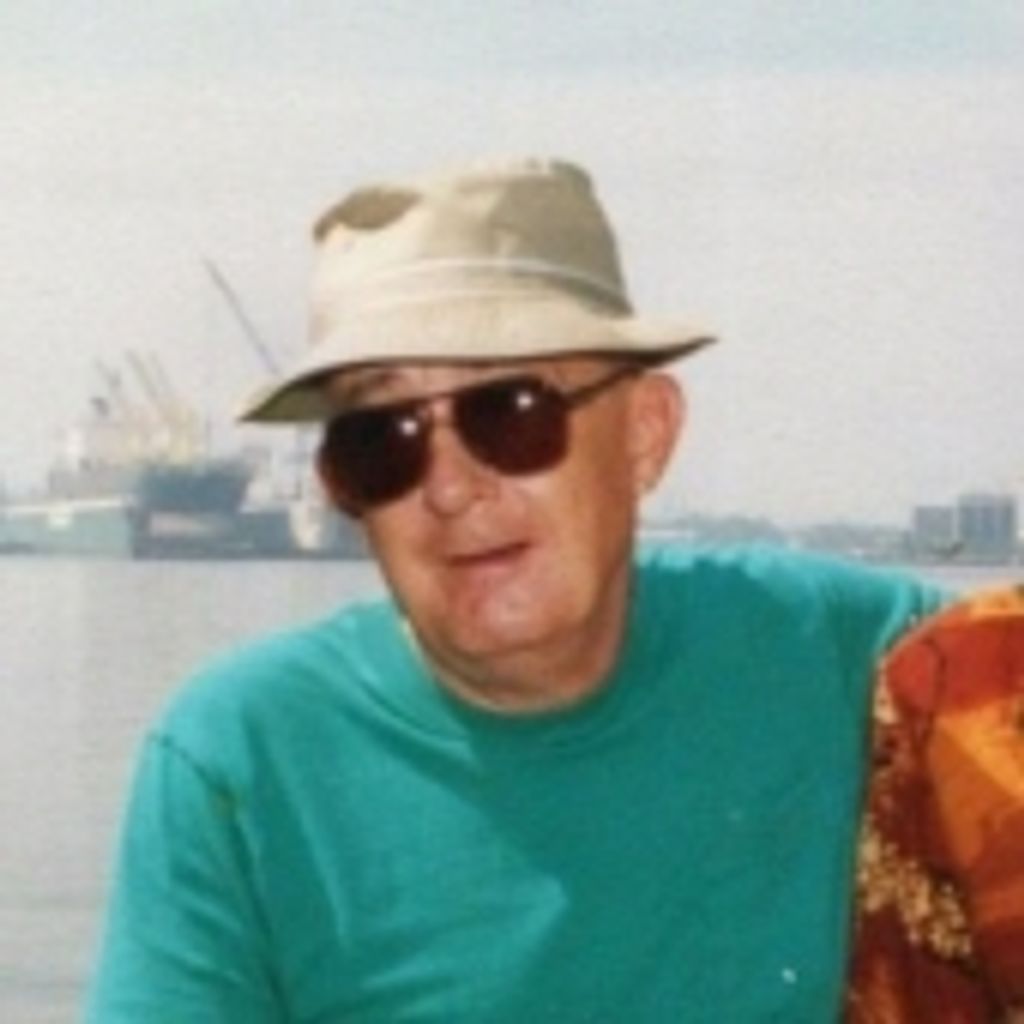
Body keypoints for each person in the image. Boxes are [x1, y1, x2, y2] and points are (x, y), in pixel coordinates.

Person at [86, 157, 951, 1022]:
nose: (449, 487)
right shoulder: (240, 762)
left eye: (511, 414)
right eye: (383, 440)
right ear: (344, 488)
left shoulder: (849, 655)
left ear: (645, 435)